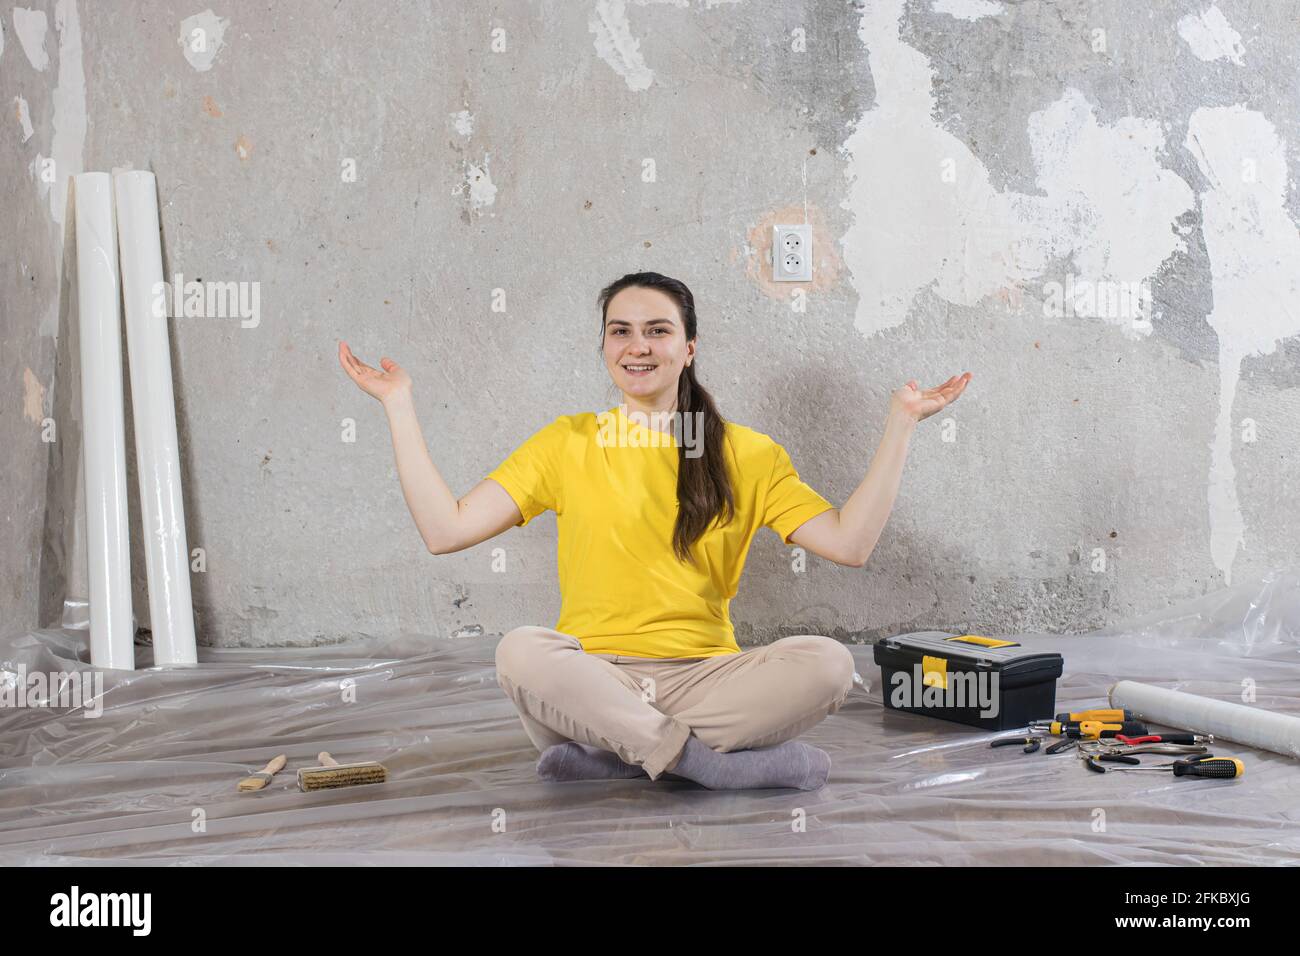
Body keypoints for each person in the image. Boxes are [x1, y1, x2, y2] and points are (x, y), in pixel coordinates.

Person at [339, 271, 970, 791]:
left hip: (705, 680)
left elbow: (849, 543)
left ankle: (621, 756)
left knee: (830, 664)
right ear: (605, 347)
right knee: (521, 652)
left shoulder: (747, 454)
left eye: (658, 331)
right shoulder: (566, 442)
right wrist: (398, 405)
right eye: (621, 332)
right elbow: (445, 530)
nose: (637, 346)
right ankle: (707, 768)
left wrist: (902, 424)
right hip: (595, 680)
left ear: (689, 347)